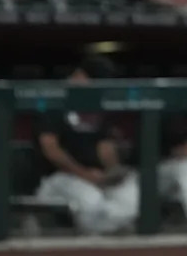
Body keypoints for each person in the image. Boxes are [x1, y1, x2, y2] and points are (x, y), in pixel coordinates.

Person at [32, 55, 139, 235]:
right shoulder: (54, 100)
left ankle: (111, 231)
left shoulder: (97, 104)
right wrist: (86, 175)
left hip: (95, 176)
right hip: (59, 178)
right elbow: (51, 149)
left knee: (132, 195)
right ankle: (101, 238)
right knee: (92, 202)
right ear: (80, 76)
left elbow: (105, 147)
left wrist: (111, 172)